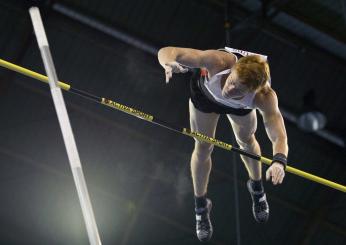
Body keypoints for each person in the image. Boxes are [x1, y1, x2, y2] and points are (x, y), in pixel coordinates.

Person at [157, 47, 288, 242]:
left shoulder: (264, 97)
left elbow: (279, 137)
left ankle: (257, 189)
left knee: (247, 141)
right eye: (233, 81)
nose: (230, 89)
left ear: (253, 91)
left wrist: (279, 161)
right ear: (233, 69)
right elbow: (169, 50)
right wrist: (167, 62)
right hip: (205, 95)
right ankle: (200, 206)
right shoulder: (218, 62)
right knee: (202, 146)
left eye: (239, 90)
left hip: (239, 107)